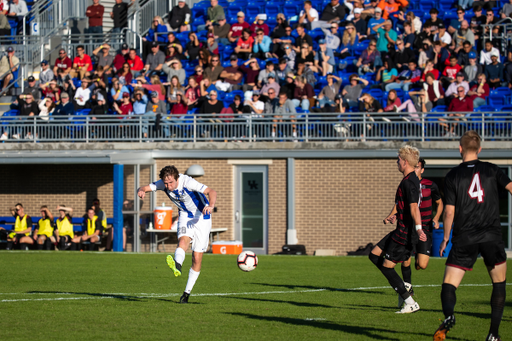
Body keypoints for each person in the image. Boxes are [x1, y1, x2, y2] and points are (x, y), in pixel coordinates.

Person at [433, 131, 512, 341]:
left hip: (464, 237)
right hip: (491, 236)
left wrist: (445, 238)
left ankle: (449, 315)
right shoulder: (493, 169)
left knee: (449, 285)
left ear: (460, 149)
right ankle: (493, 335)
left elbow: (449, 212)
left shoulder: (452, 176)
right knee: (499, 284)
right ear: (480, 149)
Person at [137, 165, 217, 303]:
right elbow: (143, 187)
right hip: (185, 215)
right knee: (183, 241)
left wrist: (210, 205)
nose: (168, 186)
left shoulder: (188, 182)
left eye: (171, 183)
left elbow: (211, 191)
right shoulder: (163, 183)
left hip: (201, 216)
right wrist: (141, 191)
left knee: (196, 257)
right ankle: (177, 265)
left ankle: (186, 294)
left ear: (177, 178)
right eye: (166, 183)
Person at [369, 146, 426, 313]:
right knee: (373, 254)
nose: (397, 162)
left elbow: (414, 208)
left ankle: (409, 301)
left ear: (405, 162)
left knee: (387, 267)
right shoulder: (409, 180)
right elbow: (405, 205)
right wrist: (394, 215)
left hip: (405, 233)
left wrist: (418, 229)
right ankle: (401, 287)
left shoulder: (409, 182)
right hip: (400, 228)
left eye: (398, 160)